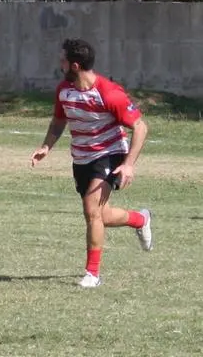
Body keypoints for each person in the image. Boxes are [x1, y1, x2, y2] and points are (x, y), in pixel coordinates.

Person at [32, 37, 152, 288]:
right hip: (82, 157)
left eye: (63, 59)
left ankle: (92, 274)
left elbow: (140, 127)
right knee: (100, 214)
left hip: (110, 153)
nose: (59, 62)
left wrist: (129, 164)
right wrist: (46, 146)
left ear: (74, 65)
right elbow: (58, 122)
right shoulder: (64, 90)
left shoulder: (109, 93)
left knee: (91, 210)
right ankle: (140, 219)